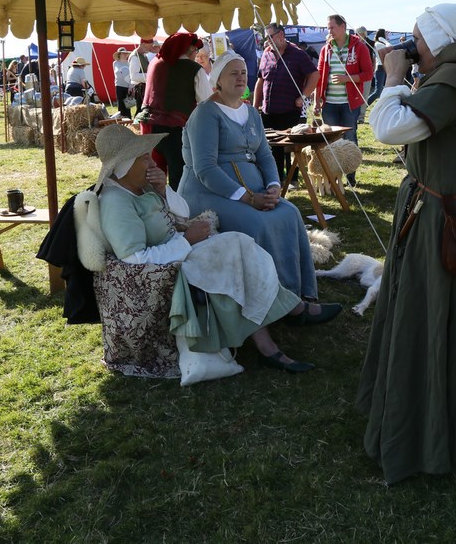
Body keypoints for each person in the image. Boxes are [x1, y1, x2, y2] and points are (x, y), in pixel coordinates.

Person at [356, 3, 456, 485]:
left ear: (440, 40)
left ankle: (424, 436)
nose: (413, 49)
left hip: (443, 223)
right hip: (447, 212)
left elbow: (387, 129)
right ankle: (446, 423)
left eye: (418, 39)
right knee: (444, 321)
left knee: (429, 321)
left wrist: (390, 77)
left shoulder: (455, 82)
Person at [92, 125, 340, 374]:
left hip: (179, 250)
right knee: (234, 256)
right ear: (124, 164)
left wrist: (163, 190)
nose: (151, 161)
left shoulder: (140, 188)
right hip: (166, 271)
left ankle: (277, 331)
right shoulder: (116, 203)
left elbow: (183, 213)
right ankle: (282, 329)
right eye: (143, 157)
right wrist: (186, 241)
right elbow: (135, 259)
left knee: (240, 244)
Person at [181, 52, 319, 300]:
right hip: (208, 193)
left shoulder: (251, 113)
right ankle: (267, 300)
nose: (241, 78)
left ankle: (295, 292)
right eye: (233, 73)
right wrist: (246, 197)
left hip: (253, 190)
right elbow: (205, 168)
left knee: (290, 213)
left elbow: (265, 155)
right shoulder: (205, 114)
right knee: (256, 223)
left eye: (243, 73)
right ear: (218, 80)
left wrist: (274, 185)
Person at [139, 32, 210, 189]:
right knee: (180, 178)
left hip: (149, 128)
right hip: (175, 130)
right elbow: (207, 103)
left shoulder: (154, 63)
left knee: (152, 176)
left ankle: (155, 210)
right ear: (189, 50)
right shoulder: (194, 69)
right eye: (195, 51)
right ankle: (178, 211)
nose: (196, 55)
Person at [253, 23, 318, 182]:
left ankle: (293, 179)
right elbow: (260, 81)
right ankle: (276, 179)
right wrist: (255, 106)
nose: (267, 41)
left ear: (281, 35)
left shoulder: (298, 54)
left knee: (291, 147)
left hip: (290, 110)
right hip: (269, 110)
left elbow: (314, 75)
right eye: (265, 37)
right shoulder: (266, 54)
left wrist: (303, 96)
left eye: (270, 36)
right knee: (271, 147)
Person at [315, 14, 374, 186]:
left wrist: (346, 78)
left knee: (349, 137)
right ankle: (334, 177)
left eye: (332, 27)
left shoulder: (359, 46)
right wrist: (317, 99)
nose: (329, 31)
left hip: (350, 103)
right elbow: (319, 76)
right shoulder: (326, 49)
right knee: (331, 140)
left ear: (343, 27)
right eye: (328, 28)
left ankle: (350, 176)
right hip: (329, 104)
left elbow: (368, 74)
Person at [112, 47, 133, 118]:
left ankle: (128, 118)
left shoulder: (129, 63)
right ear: (119, 55)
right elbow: (115, 74)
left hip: (128, 87)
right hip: (119, 85)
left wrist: (131, 86)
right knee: (120, 103)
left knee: (127, 104)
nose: (125, 55)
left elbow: (132, 76)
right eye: (123, 53)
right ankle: (121, 118)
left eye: (126, 53)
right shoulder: (115, 63)